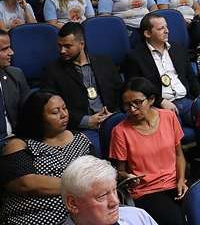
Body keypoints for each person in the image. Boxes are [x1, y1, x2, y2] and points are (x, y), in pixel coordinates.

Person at [0, 91, 93, 224]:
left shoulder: (80, 139)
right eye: (55, 112)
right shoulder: (18, 145)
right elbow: (25, 184)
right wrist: (80, 186)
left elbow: (97, 172)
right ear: (38, 117)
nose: (64, 115)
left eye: (65, 108)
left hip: (82, 213)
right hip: (33, 216)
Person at [110, 78, 187, 225]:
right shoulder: (120, 131)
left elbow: (179, 154)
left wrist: (181, 180)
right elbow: (120, 171)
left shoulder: (169, 117)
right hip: (148, 191)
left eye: (137, 103)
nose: (132, 109)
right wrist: (127, 177)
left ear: (151, 99)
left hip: (175, 182)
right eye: (127, 105)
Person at [42, 22, 122, 151]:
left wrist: (114, 115)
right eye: (60, 46)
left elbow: (120, 92)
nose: (62, 51)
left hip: (113, 120)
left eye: (68, 46)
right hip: (80, 129)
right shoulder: (53, 71)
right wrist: (87, 121)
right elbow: (51, 108)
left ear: (82, 44)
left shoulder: (105, 62)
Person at [124, 13, 200, 127]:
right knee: (172, 127)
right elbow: (136, 88)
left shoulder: (178, 49)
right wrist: (160, 101)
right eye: (161, 28)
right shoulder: (135, 57)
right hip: (160, 105)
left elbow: (191, 78)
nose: (167, 31)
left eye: (166, 27)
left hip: (186, 100)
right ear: (147, 33)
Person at [60, 155, 158, 225]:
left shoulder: (138, 217)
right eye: (102, 196)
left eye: (114, 191)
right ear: (73, 204)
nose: (116, 202)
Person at [0, 29, 28, 140]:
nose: (11, 52)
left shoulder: (15, 75)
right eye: (4, 49)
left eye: (9, 47)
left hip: (17, 140)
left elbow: (29, 111)